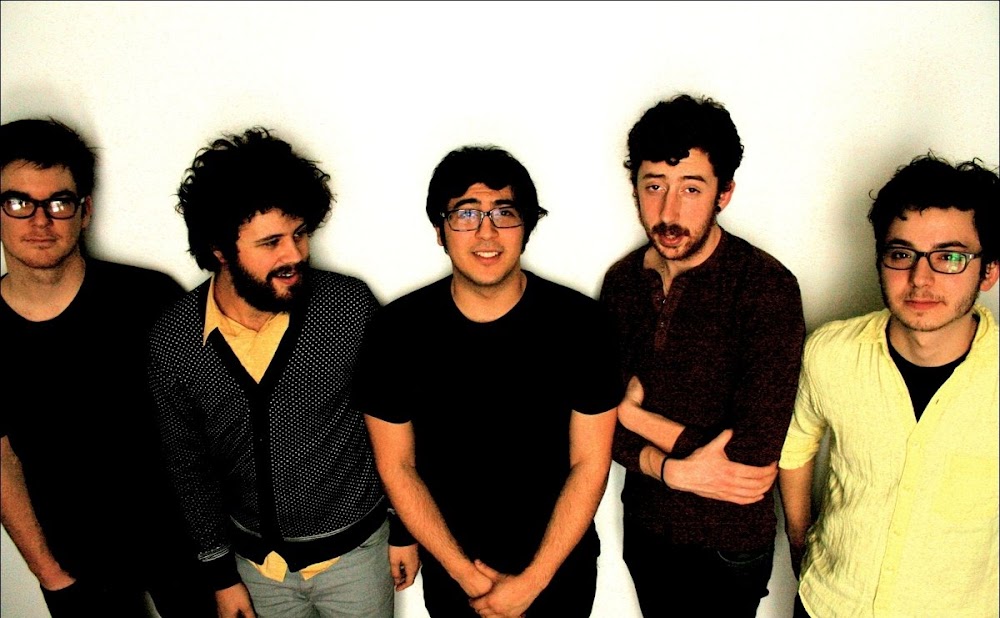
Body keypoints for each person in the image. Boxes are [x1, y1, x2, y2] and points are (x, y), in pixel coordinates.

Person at [146, 126, 419, 618]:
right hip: (256, 571)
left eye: (299, 234)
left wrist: (404, 528)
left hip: (358, 557)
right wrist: (221, 576)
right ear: (220, 248)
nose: (294, 254)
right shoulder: (176, 339)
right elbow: (187, 466)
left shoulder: (347, 307)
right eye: (270, 241)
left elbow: (397, 420)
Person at [354, 145, 622, 618]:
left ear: (527, 228)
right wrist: (466, 575)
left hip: (561, 572)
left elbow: (590, 463)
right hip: (454, 577)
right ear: (439, 230)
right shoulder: (396, 331)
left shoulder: (582, 324)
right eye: (466, 213)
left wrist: (531, 582)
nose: (486, 232)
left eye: (504, 212)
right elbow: (397, 466)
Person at [599, 93, 806, 617]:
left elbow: (753, 457)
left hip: (728, 545)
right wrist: (672, 470)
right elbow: (598, 423)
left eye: (691, 189)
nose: (669, 212)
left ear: (724, 192)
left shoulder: (766, 288)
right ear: (635, 188)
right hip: (645, 528)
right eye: (654, 186)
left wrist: (635, 417)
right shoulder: (622, 284)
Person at [0, 118, 215, 617]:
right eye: (18, 202)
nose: (40, 221)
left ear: (85, 211)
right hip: (76, 566)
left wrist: (217, 548)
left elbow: (212, 418)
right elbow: (1, 460)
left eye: (59, 202)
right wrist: (50, 575)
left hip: (185, 549)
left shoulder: (149, 298)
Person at [779, 153, 999, 618]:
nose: (921, 279)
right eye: (902, 254)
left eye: (950, 257)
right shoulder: (830, 353)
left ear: (989, 271)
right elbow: (796, 446)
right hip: (830, 605)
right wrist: (801, 543)